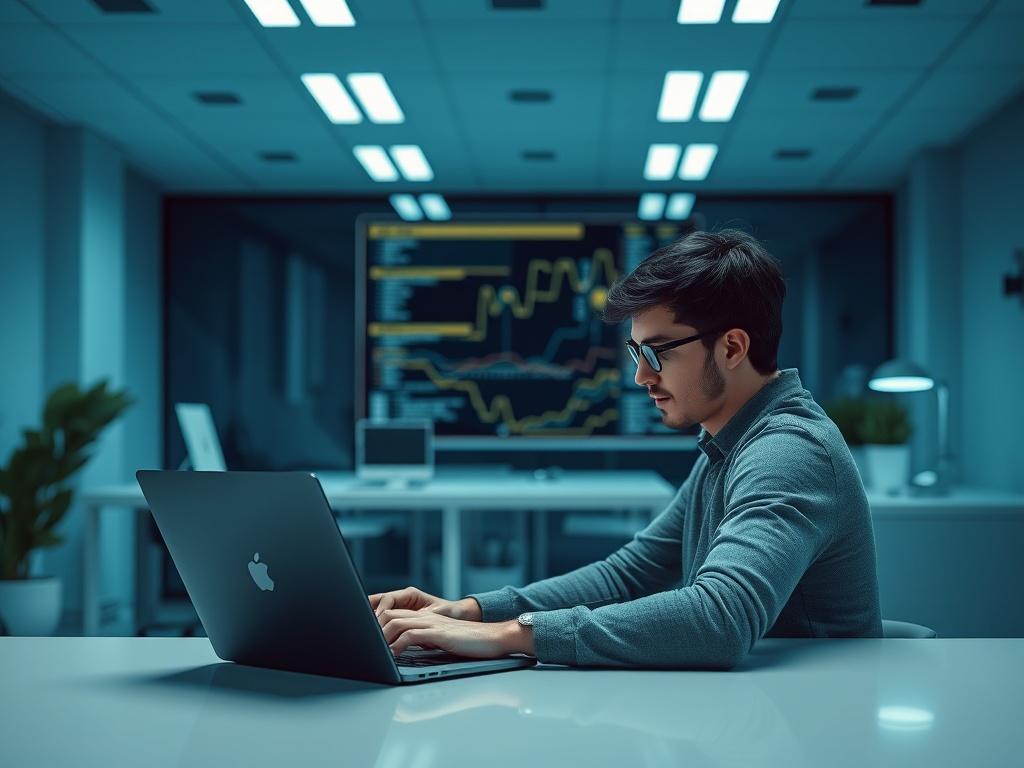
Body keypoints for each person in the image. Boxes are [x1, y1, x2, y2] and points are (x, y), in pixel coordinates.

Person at [370, 228, 882, 669]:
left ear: (731, 348)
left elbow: (718, 618)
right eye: (637, 353)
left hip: (814, 726)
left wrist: (511, 635)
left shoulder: (788, 452)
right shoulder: (731, 443)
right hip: (765, 714)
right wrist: (475, 610)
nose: (641, 376)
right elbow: (629, 574)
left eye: (657, 352)